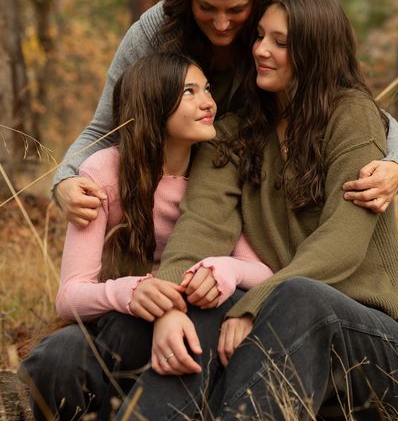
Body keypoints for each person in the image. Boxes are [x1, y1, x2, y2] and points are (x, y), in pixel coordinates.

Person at [117, 0, 398, 421]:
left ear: (314, 51)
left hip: (377, 340)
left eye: (280, 42)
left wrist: (255, 302)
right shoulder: (231, 134)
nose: (261, 49)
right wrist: (170, 305)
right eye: (260, 36)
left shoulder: (351, 115)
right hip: (282, 331)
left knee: (299, 297)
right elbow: (200, 227)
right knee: (202, 301)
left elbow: (343, 243)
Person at [52, 0, 398, 229]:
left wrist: (396, 164)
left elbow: (356, 107)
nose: (221, 24)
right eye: (206, 8)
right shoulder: (154, 33)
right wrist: (64, 181)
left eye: (236, 10)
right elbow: (105, 128)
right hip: (164, 203)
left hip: (250, 201)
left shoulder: (276, 34)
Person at [19, 53, 273, 420]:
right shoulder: (104, 171)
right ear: (155, 103)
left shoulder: (220, 170)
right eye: (189, 92)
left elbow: (261, 272)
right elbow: (70, 294)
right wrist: (131, 291)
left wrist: (224, 268)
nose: (208, 102)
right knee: (59, 355)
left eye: (206, 89)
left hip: (196, 332)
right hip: (115, 325)